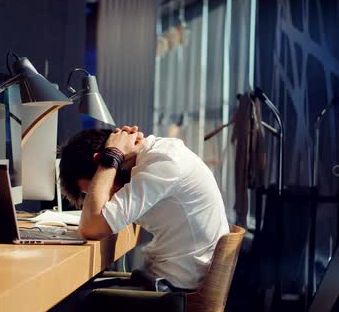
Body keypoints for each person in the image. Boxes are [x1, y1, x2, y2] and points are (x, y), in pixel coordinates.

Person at [59, 125, 230, 291]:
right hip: (171, 281)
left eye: (95, 189)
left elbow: (92, 228)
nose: (104, 197)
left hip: (175, 291)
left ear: (101, 161)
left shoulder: (163, 161)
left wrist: (111, 156)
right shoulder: (155, 157)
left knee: (68, 302)